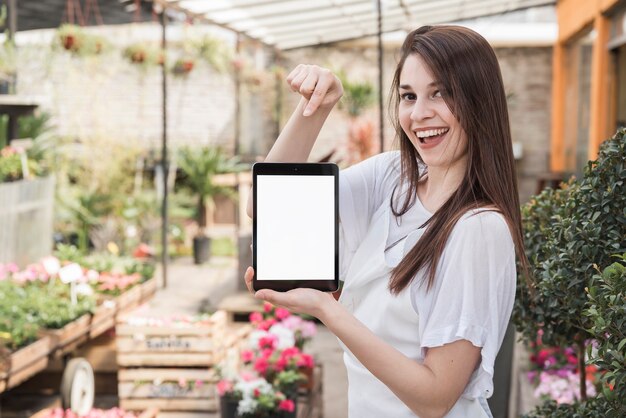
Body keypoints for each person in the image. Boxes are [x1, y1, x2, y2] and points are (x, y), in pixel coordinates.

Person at [244, 25, 528, 418]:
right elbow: (266, 205)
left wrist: (328, 310)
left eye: (440, 93)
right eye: (409, 96)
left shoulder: (479, 228)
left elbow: (435, 398)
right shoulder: (393, 179)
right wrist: (316, 108)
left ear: (479, 101)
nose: (419, 113)